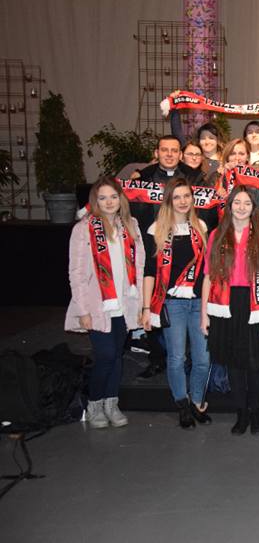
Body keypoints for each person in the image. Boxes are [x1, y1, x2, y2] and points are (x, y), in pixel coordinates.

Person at [66, 177, 144, 429]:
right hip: (97, 305)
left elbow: (140, 267)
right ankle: (94, 403)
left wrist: (141, 305)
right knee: (106, 355)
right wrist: (82, 310)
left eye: (113, 196)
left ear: (120, 198)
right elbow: (76, 273)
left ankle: (112, 403)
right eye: (102, 198)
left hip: (125, 303)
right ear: (95, 201)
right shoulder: (83, 229)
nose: (109, 202)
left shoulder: (130, 225)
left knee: (117, 355)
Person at [201, 186, 259, 436]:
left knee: (256, 363)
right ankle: (241, 413)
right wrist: (204, 314)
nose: (242, 207)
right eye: (237, 202)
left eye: (247, 203)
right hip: (225, 305)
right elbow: (208, 276)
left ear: (253, 208)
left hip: (255, 303)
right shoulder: (217, 235)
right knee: (234, 364)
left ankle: (256, 413)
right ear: (229, 205)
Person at [129, 135, 204, 379]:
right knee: (154, 300)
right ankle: (157, 358)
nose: (170, 154)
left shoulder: (195, 177)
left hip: (185, 246)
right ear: (157, 152)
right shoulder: (143, 177)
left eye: (174, 150)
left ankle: (187, 359)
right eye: (165, 150)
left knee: (184, 310)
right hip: (153, 242)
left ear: (180, 154)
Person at [140, 178, 211, 429]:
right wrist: (146, 308)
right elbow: (149, 271)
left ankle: (197, 401)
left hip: (198, 302)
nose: (182, 201)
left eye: (186, 196)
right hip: (172, 304)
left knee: (203, 359)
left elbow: (207, 271)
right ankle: (182, 404)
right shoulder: (156, 229)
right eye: (177, 197)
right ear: (169, 200)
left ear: (193, 199)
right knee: (176, 358)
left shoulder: (201, 227)